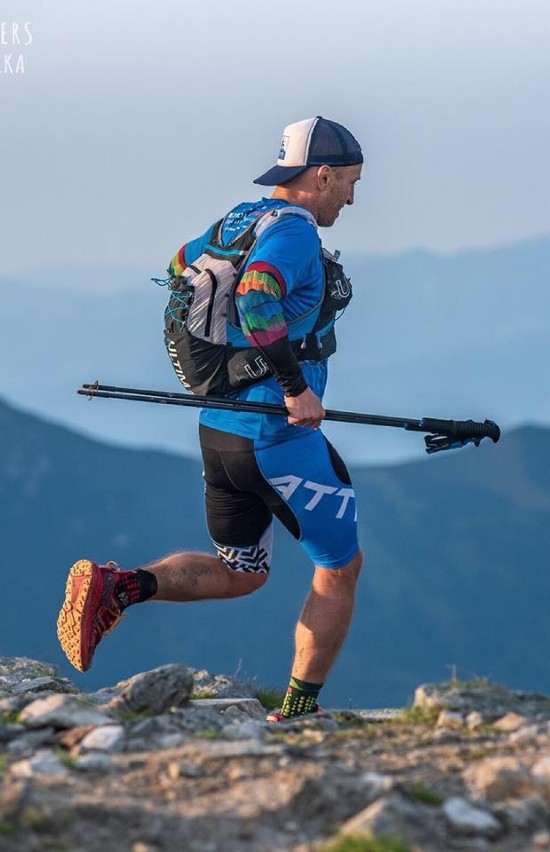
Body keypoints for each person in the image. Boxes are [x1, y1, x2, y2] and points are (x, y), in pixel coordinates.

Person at [57, 116, 364, 720]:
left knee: (241, 573)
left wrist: (228, 365)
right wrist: (294, 387)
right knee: (340, 568)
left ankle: (120, 587)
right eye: (349, 182)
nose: (352, 197)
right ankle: (300, 712)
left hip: (220, 431)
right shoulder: (295, 233)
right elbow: (254, 295)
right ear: (321, 175)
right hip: (277, 438)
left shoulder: (241, 218)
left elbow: (179, 266)